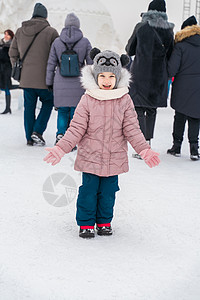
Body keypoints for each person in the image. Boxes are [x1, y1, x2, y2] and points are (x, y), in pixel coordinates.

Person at [44, 48, 160, 238]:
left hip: (114, 159)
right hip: (90, 157)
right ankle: (86, 223)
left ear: (117, 77)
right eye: (103, 76)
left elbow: (132, 129)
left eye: (111, 77)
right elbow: (76, 128)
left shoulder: (124, 100)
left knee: (108, 193)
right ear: (96, 76)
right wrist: (60, 148)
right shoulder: (88, 99)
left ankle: (104, 221)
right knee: (88, 192)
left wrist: (144, 150)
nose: (107, 81)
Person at [125, 0, 174, 158]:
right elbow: (171, 53)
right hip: (158, 76)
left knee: (139, 108)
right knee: (151, 110)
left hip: (140, 73)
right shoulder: (168, 31)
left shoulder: (141, 27)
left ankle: (141, 146)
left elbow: (129, 49)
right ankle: (147, 142)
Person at [9, 3, 59, 146]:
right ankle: (37, 131)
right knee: (48, 102)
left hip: (26, 79)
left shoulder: (19, 31)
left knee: (29, 107)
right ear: (45, 16)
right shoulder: (51, 32)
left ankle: (29, 138)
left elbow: (12, 53)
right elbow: (57, 54)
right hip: (45, 79)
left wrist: (19, 66)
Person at [46, 12, 93, 145]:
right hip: (78, 83)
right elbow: (90, 64)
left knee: (62, 110)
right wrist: (92, 82)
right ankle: (73, 137)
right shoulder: (85, 42)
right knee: (75, 112)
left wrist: (49, 82)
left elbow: (51, 63)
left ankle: (61, 134)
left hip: (60, 80)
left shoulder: (57, 42)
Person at [167, 16, 200, 161]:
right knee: (195, 117)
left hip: (182, 86)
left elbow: (172, 70)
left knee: (179, 116)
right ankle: (194, 149)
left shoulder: (180, 46)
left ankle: (176, 146)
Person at [0, 29, 14, 114]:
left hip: (7, 68)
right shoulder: (1, 44)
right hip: (0, 68)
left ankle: (8, 108)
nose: (6, 36)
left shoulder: (12, 45)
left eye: (8, 35)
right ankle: (21, 86)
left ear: (11, 36)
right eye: (5, 34)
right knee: (3, 87)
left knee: (6, 87)